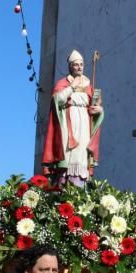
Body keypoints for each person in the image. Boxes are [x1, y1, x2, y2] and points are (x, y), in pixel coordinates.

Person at [41, 49, 104, 186]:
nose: (79, 67)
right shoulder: (63, 83)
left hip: (84, 126)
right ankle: (64, 183)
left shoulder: (89, 86)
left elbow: (96, 106)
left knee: (82, 155)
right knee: (69, 156)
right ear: (70, 66)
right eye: (76, 64)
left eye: (81, 64)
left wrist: (99, 110)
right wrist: (71, 88)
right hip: (68, 125)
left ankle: (80, 186)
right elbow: (56, 101)